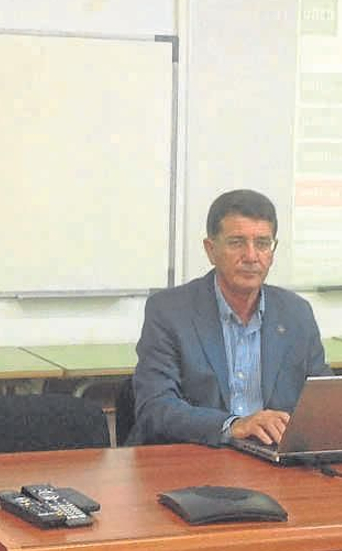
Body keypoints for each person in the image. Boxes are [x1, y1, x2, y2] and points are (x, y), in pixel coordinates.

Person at [130, 189, 329, 446]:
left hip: (273, 461)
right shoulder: (169, 312)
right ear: (211, 250)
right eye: (237, 242)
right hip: (196, 456)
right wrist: (233, 425)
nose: (251, 256)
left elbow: (322, 400)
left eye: (262, 244)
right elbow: (154, 407)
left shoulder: (296, 314)